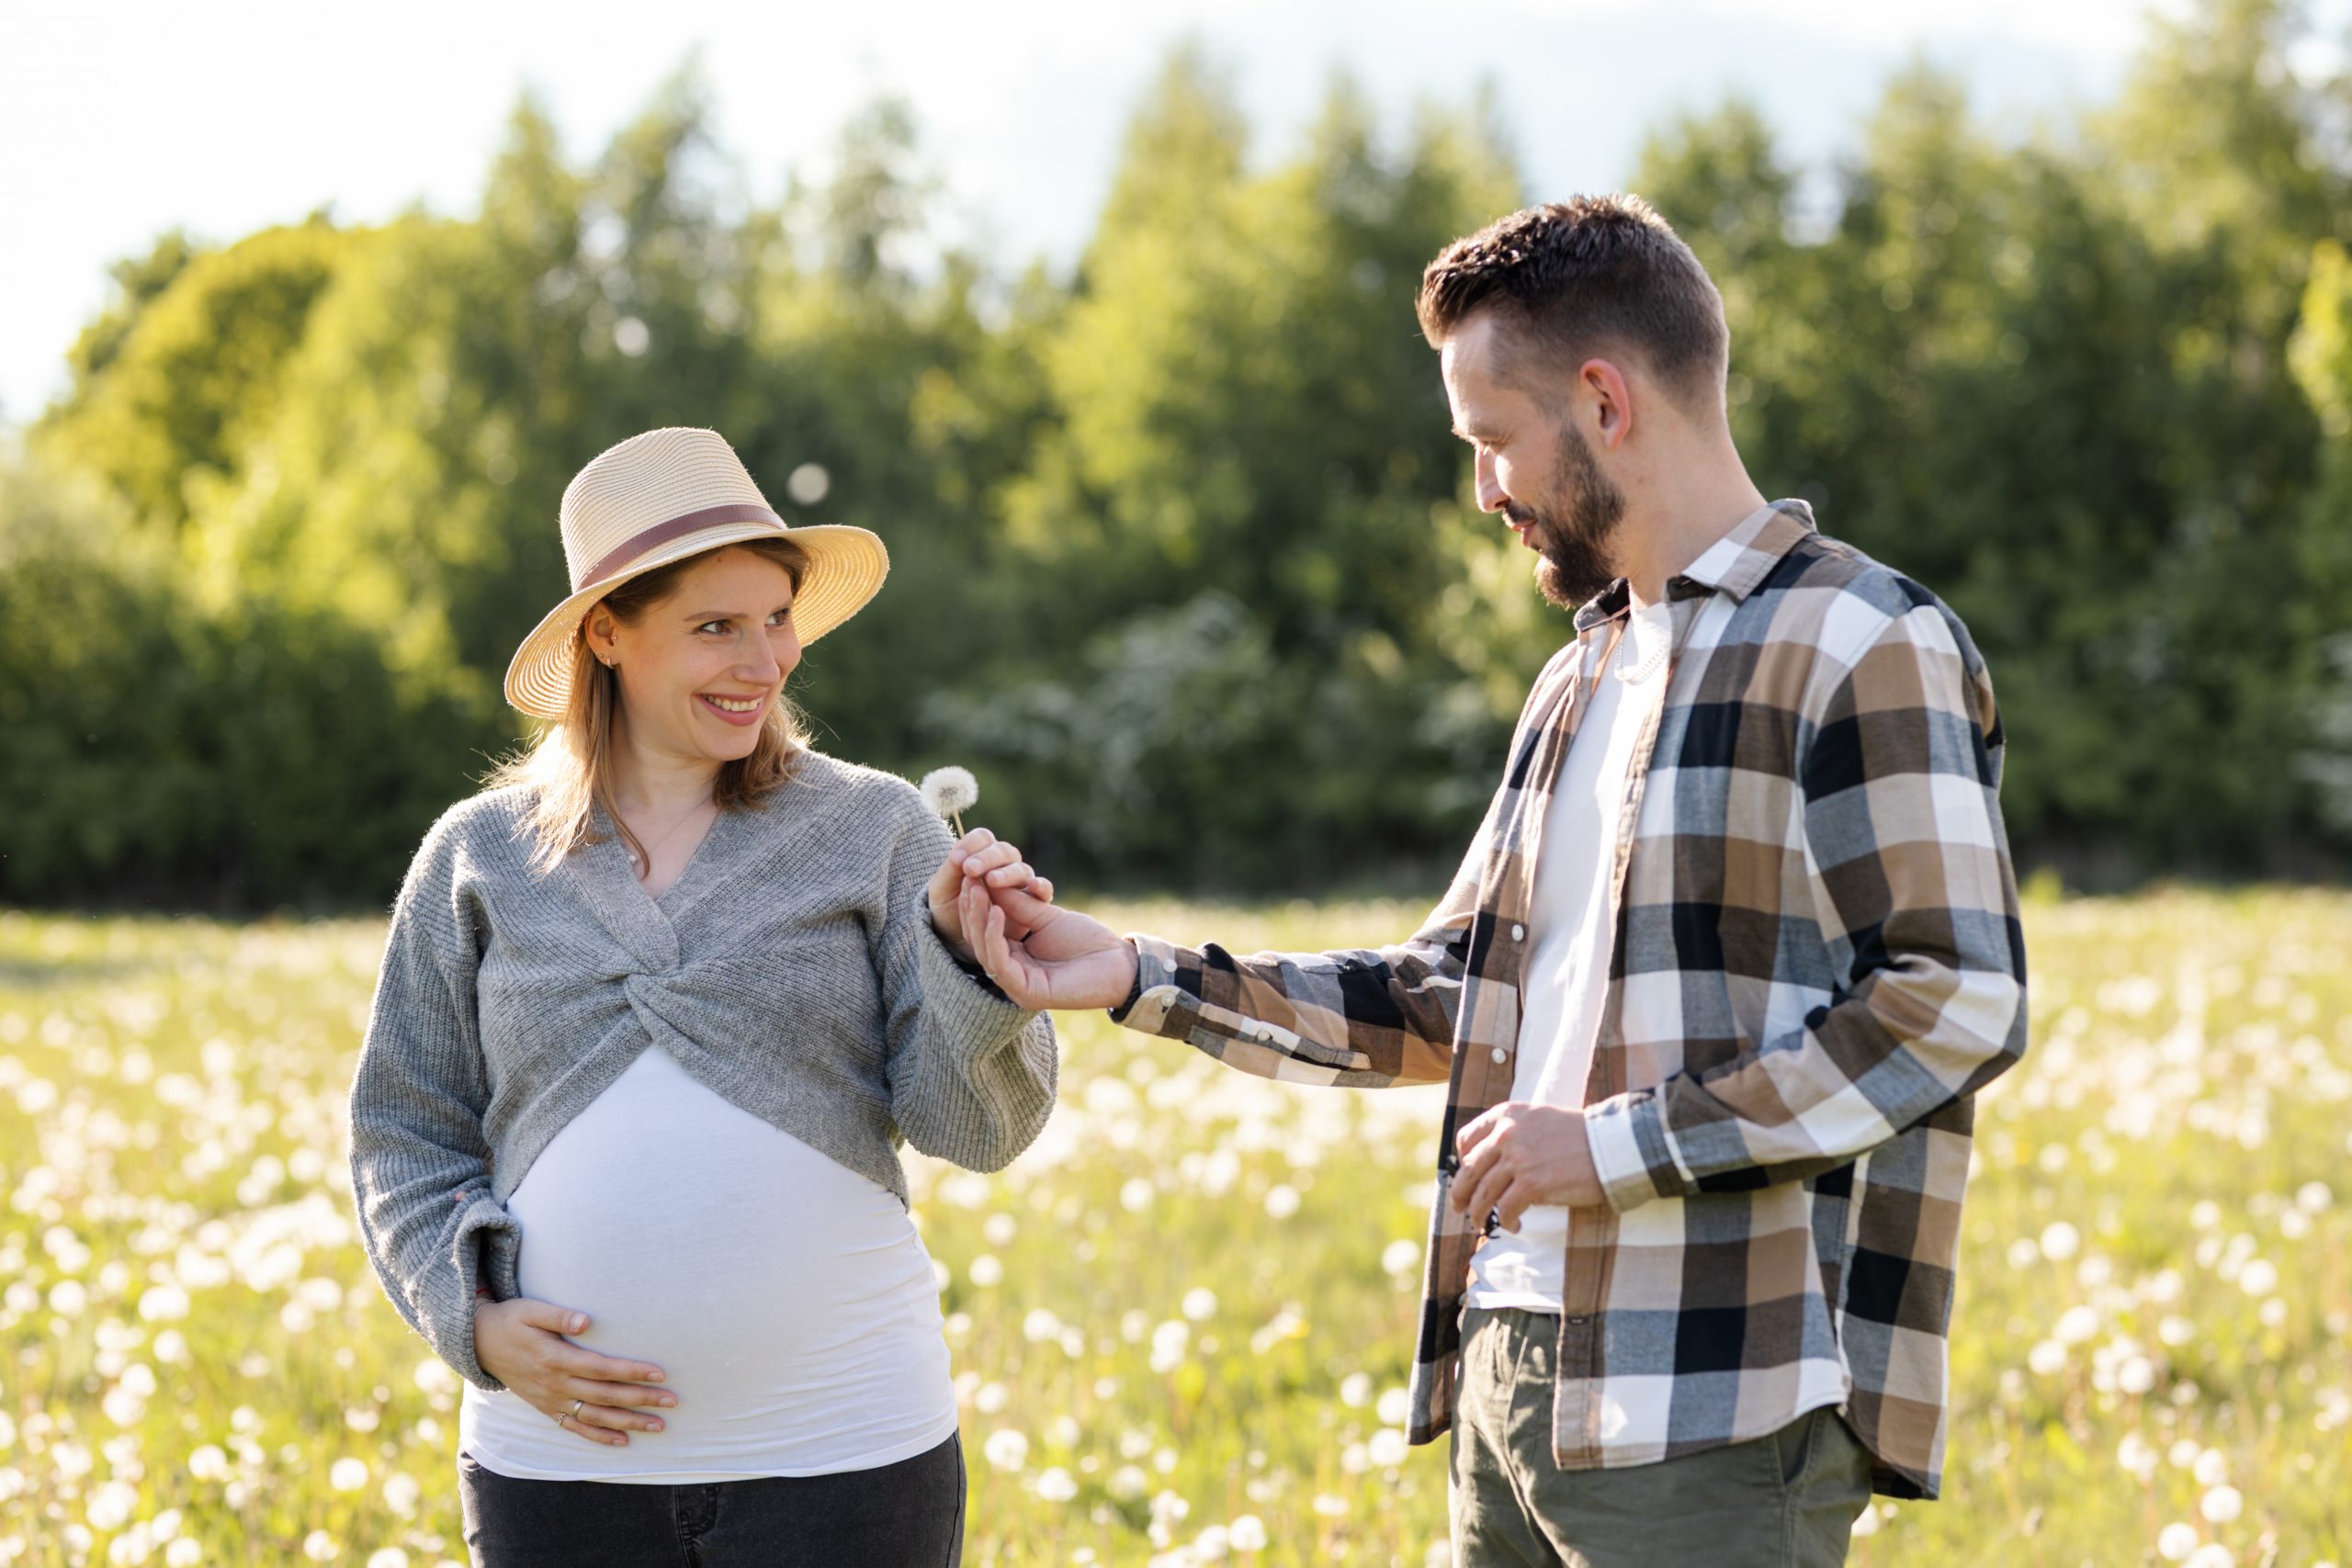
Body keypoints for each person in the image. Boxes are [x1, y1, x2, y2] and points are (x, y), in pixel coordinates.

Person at [946, 197, 2028, 1567]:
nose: (1484, 491)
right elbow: (1450, 997)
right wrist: (1134, 973)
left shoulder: (1863, 640)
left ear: (1604, 403)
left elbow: (1955, 1002)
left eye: (1491, 440)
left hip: (1713, 1399)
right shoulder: (1576, 678)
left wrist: (1617, 1146)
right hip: (1507, 1367)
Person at [347, 426, 1059, 1568]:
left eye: (776, 619)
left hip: (847, 1458)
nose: (763, 661)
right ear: (607, 633)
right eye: (714, 627)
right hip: (560, 1474)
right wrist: (469, 1317)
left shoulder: (875, 829)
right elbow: (403, 1130)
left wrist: (980, 976)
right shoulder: (479, 857)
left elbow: (976, 1131)